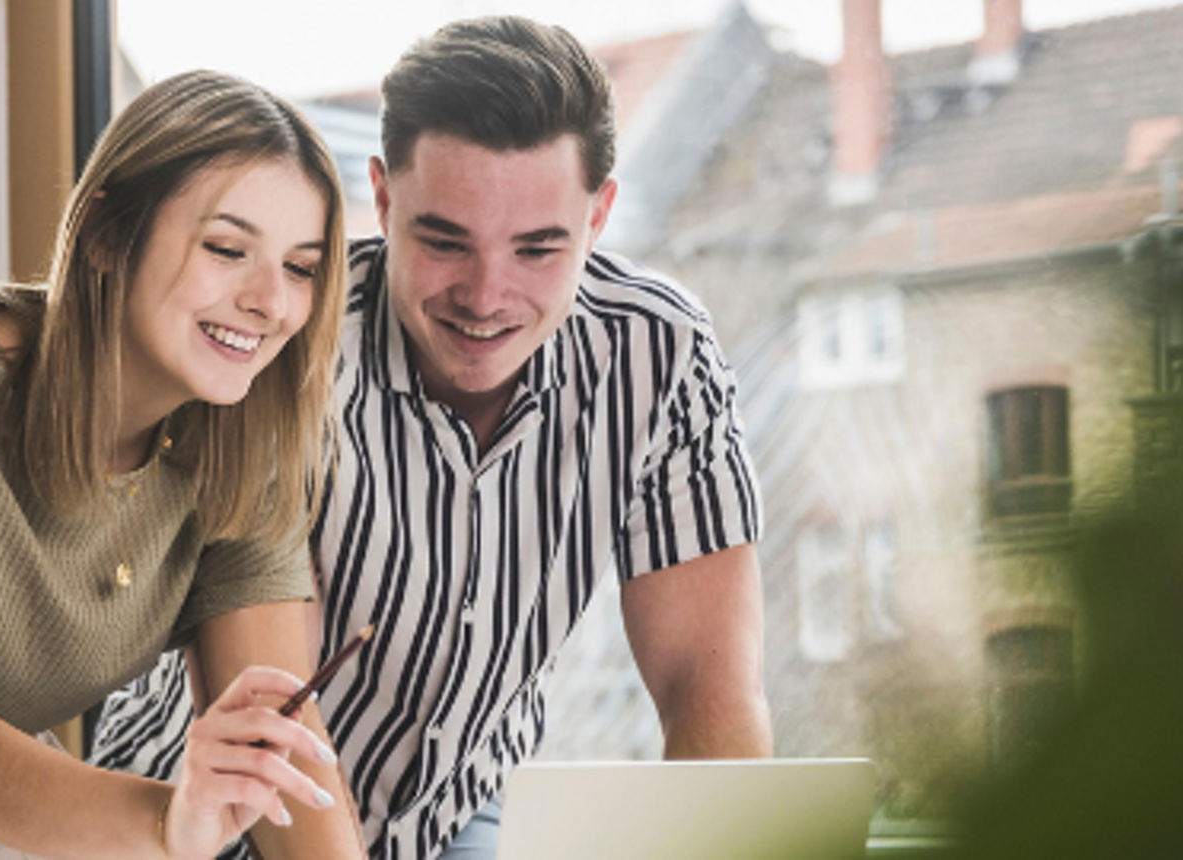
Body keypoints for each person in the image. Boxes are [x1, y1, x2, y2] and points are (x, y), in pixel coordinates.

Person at [94, 16, 773, 859]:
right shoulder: (287, 349)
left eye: (538, 249)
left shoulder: (657, 356)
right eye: (445, 241)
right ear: (381, 198)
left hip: (449, 818)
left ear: (599, 217)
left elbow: (706, 688)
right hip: (211, 814)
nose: (487, 296)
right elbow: (280, 730)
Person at [0, 70, 367, 859]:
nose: (271, 302)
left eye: (301, 267)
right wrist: (166, 824)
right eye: (227, 249)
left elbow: (281, 744)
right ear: (109, 234)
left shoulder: (244, 435)